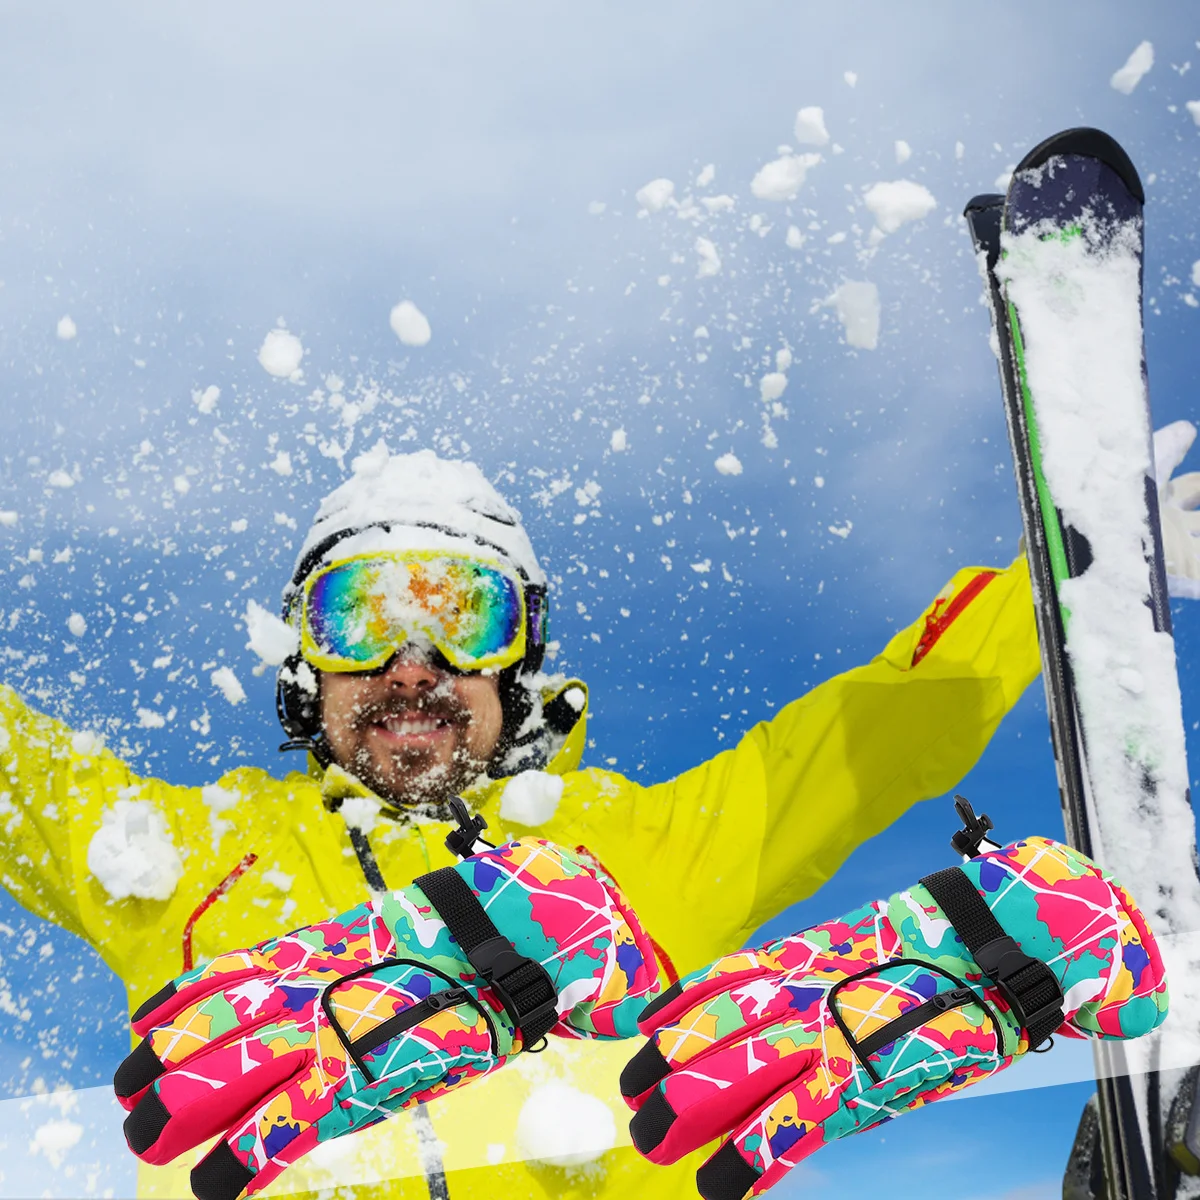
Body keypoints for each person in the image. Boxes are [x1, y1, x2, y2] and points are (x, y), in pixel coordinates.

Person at [1, 437, 1196, 1200]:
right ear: (306, 660)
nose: (413, 664)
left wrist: (1072, 578)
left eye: (461, 615)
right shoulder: (187, 852)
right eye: (362, 618)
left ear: (518, 652)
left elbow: (863, 739)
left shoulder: (633, 848)